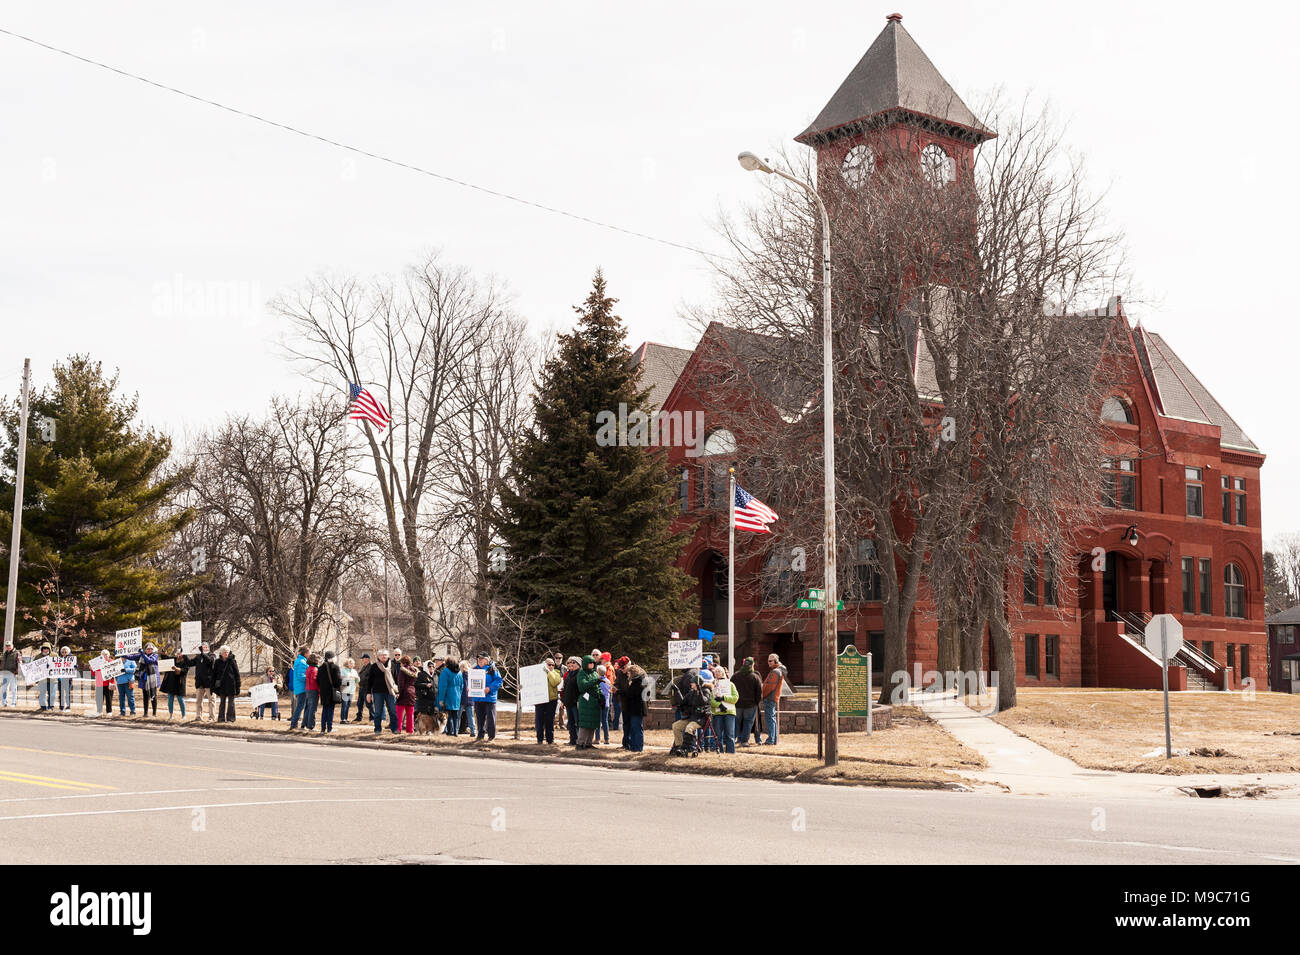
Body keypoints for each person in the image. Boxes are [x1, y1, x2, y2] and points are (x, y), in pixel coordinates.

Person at [669, 669, 712, 757]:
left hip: (701, 718)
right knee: (676, 726)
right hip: (691, 717)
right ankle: (678, 747)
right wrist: (677, 692)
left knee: (689, 727)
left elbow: (703, 701)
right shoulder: (691, 693)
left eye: (692, 683)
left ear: (697, 684)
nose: (690, 684)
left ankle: (685, 748)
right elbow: (683, 702)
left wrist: (699, 691)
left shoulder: (706, 691)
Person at [365, 648, 398, 735]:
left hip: (390, 692)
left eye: (385, 655)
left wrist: (397, 692)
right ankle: (377, 729)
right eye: (381, 655)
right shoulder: (374, 666)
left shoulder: (393, 665)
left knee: (393, 711)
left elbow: (396, 679)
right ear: (378, 657)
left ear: (388, 656)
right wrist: (368, 693)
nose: (384, 656)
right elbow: (370, 681)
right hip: (377, 692)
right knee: (378, 712)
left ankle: (395, 729)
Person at [472, 651, 503, 742]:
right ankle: (480, 735)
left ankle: (491, 736)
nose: (479, 660)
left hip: (489, 698)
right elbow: (470, 682)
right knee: (479, 718)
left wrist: (489, 688)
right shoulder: (474, 669)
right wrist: (469, 689)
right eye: (478, 658)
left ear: (486, 660)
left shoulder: (492, 669)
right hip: (478, 698)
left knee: (490, 718)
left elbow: (498, 681)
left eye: (481, 658)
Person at [734, 656, 764, 746]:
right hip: (750, 705)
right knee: (748, 723)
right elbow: (759, 692)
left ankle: (738, 739)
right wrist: (756, 702)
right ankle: (744, 741)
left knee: (737, 722)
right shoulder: (755, 677)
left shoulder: (735, 676)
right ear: (752, 665)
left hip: (738, 704)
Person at [709, 664, 739, 753]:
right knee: (718, 735)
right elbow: (711, 700)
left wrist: (723, 698)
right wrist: (719, 705)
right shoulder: (713, 685)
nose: (718, 673)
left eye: (719, 671)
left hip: (729, 712)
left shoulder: (730, 684)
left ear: (723, 673)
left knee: (730, 735)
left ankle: (730, 753)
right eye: (716, 672)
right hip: (718, 713)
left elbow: (735, 698)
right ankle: (720, 752)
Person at [575, 655, 603, 750]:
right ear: (586, 664)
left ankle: (588, 743)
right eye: (590, 663)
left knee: (593, 723)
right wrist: (595, 681)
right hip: (586, 701)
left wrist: (601, 697)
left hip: (594, 702)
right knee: (585, 723)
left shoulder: (595, 673)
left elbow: (597, 687)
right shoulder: (582, 673)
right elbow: (582, 686)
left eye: (593, 663)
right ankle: (580, 743)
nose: (591, 665)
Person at [622, 661, 648, 752]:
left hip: (638, 708)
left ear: (633, 673)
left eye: (629, 673)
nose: (627, 674)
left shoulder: (638, 682)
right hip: (634, 708)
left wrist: (630, 686)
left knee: (637, 728)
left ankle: (638, 747)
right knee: (633, 728)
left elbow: (632, 694)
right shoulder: (635, 681)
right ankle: (633, 746)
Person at [128, 643, 161, 717]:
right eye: (148, 649)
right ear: (145, 649)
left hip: (153, 679)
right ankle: (145, 713)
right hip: (144, 678)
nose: (150, 650)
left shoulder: (155, 656)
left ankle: (154, 714)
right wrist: (122, 654)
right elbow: (131, 657)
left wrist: (143, 654)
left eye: (151, 649)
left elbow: (149, 661)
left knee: (153, 696)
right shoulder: (141, 656)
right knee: (145, 696)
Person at [535, 657, 561, 744]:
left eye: (552, 665)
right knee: (539, 720)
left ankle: (550, 739)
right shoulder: (538, 674)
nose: (551, 666)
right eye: (549, 664)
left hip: (551, 700)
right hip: (540, 700)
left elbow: (554, 682)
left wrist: (548, 672)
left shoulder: (556, 673)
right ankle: (539, 739)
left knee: (549, 720)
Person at [212, 646, 241, 722]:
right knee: (222, 703)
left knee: (231, 703)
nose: (226, 653)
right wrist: (213, 686)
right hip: (222, 686)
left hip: (231, 685)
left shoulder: (232, 661)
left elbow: (237, 674)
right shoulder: (217, 662)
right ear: (221, 653)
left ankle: (230, 719)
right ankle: (221, 719)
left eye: (227, 652)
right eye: (224, 652)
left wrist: (238, 686)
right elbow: (214, 674)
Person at [761, 653, 784, 746]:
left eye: (770, 661)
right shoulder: (777, 670)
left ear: (776, 661)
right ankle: (773, 739)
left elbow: (769, 687)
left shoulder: (775, 672)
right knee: (772, 718)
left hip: (770, 697)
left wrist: (763, 694)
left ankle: (771, 739)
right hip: (772, 697)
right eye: (768, 661)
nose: (768, 663)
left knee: (770, 719)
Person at [190, 642, 216, 722]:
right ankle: (198, 716)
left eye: (205, 647)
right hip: (199, 682)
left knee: (211, 701)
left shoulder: (212, 655)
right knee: (198, 701)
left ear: (208, 648)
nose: (204, 648)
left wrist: (202, 653)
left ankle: (212, 717)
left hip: (209, 682)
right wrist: (184, 655)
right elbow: (190, 663)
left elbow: (210, 662)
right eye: (202, 647)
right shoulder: (198, 657)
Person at [437, 654, 463, 735]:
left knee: (449, 715)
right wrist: (459, 695)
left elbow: (442, 687)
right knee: (455, 715)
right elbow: (462, 686)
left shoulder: (445, 672)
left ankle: (450, 732)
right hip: (457, 696)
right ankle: (456, 731)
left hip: (448, 695)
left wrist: (441, 699)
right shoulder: (459, 672)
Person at [317, 650, 341, 734]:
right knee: (330, 710)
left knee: (324, 710)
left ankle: (322, 729)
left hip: (323, 692)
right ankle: (329, 728)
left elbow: (318, 680)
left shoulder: (320, 668)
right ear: (332, 658)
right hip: (332, 692)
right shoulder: (335, 667)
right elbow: (338, 681)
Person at [395, 655, 418, 734]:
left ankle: (398, 729)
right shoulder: (414, 670)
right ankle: (410, 730)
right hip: (412, 692)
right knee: (410, 713)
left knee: (399, 713)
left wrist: (398, 693)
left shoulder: (402, 670)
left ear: (403, 662)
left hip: (404, 692)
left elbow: (401, 683)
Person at [161, 653, 188, 719]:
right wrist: (163, 653)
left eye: (180, 654)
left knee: (180, 699)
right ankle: (171, 715)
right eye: (177, 654)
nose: (178, 655)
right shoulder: (173, 659)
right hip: (171, 682)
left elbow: (185, 671)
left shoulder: (185, 661)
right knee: (170, 699)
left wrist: (177, 669)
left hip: (179, 683)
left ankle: (184, 715)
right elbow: (165, 658)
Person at [560, 656, 581, 745]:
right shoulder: (568, 674)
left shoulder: (580, 674)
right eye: (570, 663)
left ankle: (579, 740)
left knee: (577, 722)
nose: (571, 664)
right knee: (571, 723)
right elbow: (564, 689)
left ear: (579, 665)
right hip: (568, 702)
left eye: (573, 662)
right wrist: (563, 701)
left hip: (576, 702)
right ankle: (572, 740)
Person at [289, 647, 310, 730]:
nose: (309, 654)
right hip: (302, 688)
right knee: (300, 707)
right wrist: (310, 679)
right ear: (305, 653)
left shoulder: (300, 661)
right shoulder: (301, 662)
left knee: (300, 706)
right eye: (309, 653)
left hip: (300, 688)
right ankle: (294, 724)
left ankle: (297, 724)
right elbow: (301, 676)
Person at [92, 650, 115, 716]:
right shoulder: (97, 663)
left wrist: (112, 679)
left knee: (109, 698)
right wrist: (91, 669)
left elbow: (115, 673)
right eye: (103, 654)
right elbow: (94, 674)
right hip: (99, 683)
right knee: (99, 699)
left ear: (109, 655)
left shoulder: (112, 662)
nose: (105, 656)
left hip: (109, 683)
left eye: (106, 654)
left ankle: (109, 712)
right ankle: (99, 711)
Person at [301, 654, 320, 731]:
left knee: (308, 708)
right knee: (312, 708)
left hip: (308, 689)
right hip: (313, 690)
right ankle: (310, 725)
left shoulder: (309, 668)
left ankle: (304, 724)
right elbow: (314, 681)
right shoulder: (314, 669)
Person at [353, 653, 372, 723]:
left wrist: (360, 679)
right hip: (361, 687)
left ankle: (372, 717)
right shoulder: (364, 666)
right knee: (359, 703)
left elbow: (369, 678)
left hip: (367, 688)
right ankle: (359, 717)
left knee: (368, 703)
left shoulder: (371, 667)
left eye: (363, 659)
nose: (362, 660)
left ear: (367, 659)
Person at [35, 643, 54, 711]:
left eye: (47, 648)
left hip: (52, 679)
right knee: (42, 694)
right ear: (42, 649)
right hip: (42, 679)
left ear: (49, 649)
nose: (45, 650)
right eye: (44, 648)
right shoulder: (38, 657)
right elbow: (33, 667)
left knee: (52, 694)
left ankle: (51, 707)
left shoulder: (54, 655)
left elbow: (59, 665)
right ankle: (43, 707)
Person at [458, 660, 475, 736]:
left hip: (461, 699)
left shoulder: (460, 676)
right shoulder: (472, 676)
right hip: (470, 698)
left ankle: (455, 730)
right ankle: (473, 731)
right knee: (470, 716)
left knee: (458, 716)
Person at [339, 657, 359, 723]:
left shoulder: (354, 671)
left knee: (348, 705)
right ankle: (342, 719)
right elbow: (342, 679)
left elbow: (358, 680)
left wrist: (356, 678)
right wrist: (349, 677)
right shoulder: (343, 670)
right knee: (344, 704)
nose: (351, 664)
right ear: (347, 664)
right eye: (350, 663)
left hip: (352, 690)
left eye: (353, 663)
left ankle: (346, 718)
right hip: (345, 690)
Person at [56, 645, 75, 711]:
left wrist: (75, 666)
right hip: (60, 679)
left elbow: (74, 667)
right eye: (63, 652)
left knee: (67, 693)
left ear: (68, 652)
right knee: (61, 693)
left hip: (68, 679)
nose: (64, 653)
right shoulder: (59, 659)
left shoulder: (71, 658)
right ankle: (61, 708)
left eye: (65, 652)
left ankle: (68, 707)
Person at [0, 642, 19, 707]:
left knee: (14, 689)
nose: (8, 647)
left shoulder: (17, 653)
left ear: (12, 646)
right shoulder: (4, 654)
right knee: (3, 689)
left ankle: (13, 703)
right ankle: (4, 703)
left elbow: (19, 663)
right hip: (5, 673)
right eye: (7, 646)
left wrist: (16, 672)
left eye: (9, 646)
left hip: (12, 673)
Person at [597, 663, 612, 744]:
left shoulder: (598, 681)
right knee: (605, 721)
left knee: (598, 721)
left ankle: (597, 739)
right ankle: (607, 739)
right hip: (606, 703)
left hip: (599, 703)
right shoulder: (608, 681)